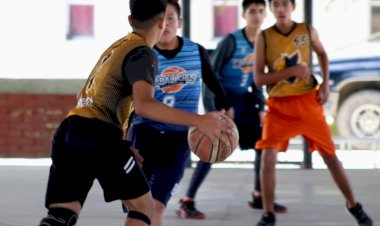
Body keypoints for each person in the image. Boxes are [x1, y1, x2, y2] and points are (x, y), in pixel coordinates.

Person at [36, 0, 234, 225]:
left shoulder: (117, 46)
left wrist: (122, 140)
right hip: (100, 136)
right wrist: (200, 120)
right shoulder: (143, 53)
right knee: (144, 207)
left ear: (131, 21)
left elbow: (81, 96)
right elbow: (144, 105)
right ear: (161, 22)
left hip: (70, 131)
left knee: (63, 212)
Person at [253, 0, 373, 226]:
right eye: (275, 4)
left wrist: (326, 85)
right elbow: (258, 79)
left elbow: (323, 55)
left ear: (293, 6)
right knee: (267, 159)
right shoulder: (265, 37)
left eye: (284, 4)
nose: (280, 9)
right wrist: (290, 71)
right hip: (279, 107)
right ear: (271, 8)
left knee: (331, 159)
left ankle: (354, 205)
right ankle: (268, 213)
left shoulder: (307, 31)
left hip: (308, 103)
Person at [121, 0, 233, 226]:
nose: (166, 23)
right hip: (144, 132)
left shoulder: (196, 51)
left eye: (171, 17)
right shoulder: (142, 55)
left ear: (179, 22)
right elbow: (127, 101)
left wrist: (224, 110)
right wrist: (124, 140)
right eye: (162, 18)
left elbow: (213, 83)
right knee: (137, 207)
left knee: (156, 205)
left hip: (179, 138)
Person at [176, 0, 287, 220]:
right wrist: (214, 110)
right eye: (252, 11)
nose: (257, 15)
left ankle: (258, 195)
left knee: (261, 143)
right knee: (212, 147)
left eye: (261, 11)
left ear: (266, 15)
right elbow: (210, 75)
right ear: (244, 15)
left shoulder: (263, 42)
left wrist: (261, 107)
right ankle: (187, 201)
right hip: (222, 98)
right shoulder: (231, 41)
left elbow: (256, 79)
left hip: (243, 99)